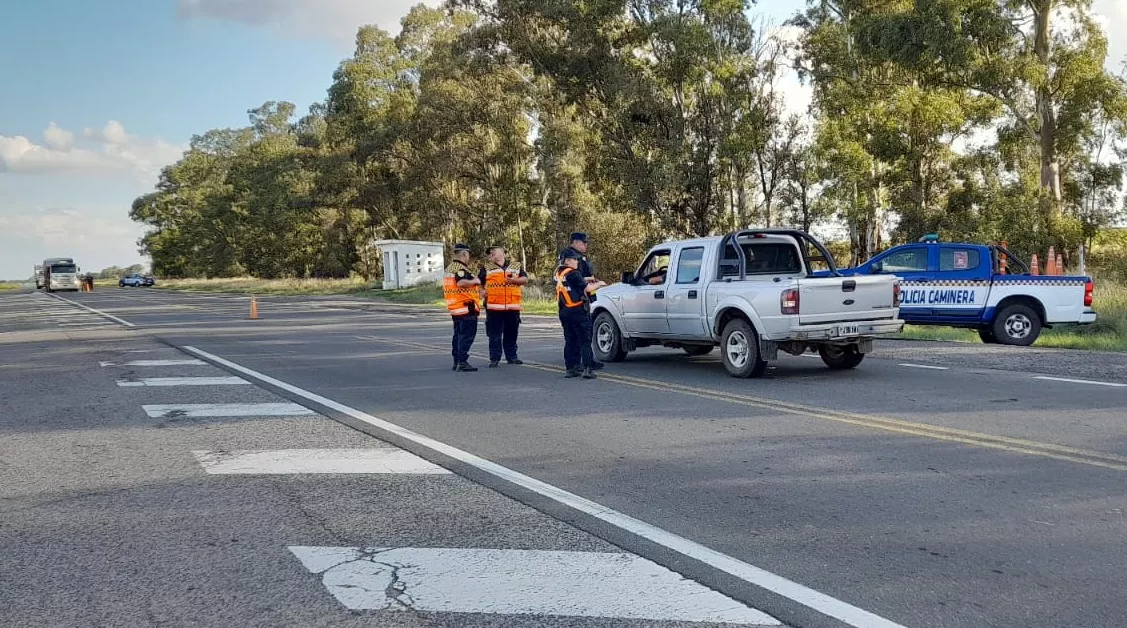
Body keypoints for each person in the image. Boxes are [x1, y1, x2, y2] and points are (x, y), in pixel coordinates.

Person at [556, 249, 605, 379]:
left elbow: (573, 282)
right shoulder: (573, 273)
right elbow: (587, 288)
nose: (577, 261)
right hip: (577, 311)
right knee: (584, 341)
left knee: (570, 340)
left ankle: (570, 368)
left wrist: (586, 278)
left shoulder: (560, 273)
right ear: (567, 261)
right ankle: (588, 369)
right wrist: (599, 284)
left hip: (564, 311)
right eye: (574, 259)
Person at [478, 245, 528, 367]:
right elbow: (479, 283)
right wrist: (481, 291)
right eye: (490, 254)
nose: (491, 255)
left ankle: (512, 356)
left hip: (512, 306)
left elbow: (524, 279)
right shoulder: (487, 268)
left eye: (493, 252)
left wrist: (513, 281)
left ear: (502, 252)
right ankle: (494, 358)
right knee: (494, 334)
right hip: (494, 307)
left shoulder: (515, 266)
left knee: (511, 333)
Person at [443, 243, 482, 372]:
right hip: (466, 307)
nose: (469, 258)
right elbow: (461, 282)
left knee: (458, 335)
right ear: (464, 254)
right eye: (468, 255)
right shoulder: (460, 269)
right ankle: (462, 361)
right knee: (466, 335)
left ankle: (457, 360)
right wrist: (475, 281)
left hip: (456, 308)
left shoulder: (450, 268)